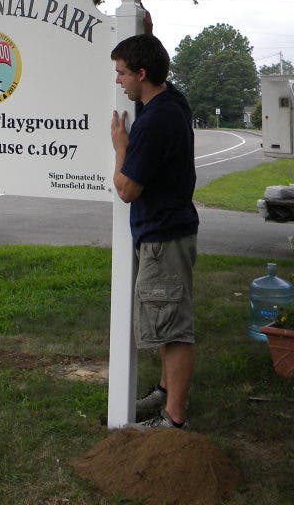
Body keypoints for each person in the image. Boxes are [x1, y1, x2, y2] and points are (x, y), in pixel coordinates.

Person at [109, 33, 199, 429]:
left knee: (174, 326)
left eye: (122, 73)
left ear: (142, 74)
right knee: (165, 317)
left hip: (163, 236)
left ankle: (172, 418)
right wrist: (146, 30)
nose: (118, 81)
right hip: (169, 231)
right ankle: (164, 391)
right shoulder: (168, 101)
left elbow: (128, 189)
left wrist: (120, 147)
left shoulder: (155, 122)